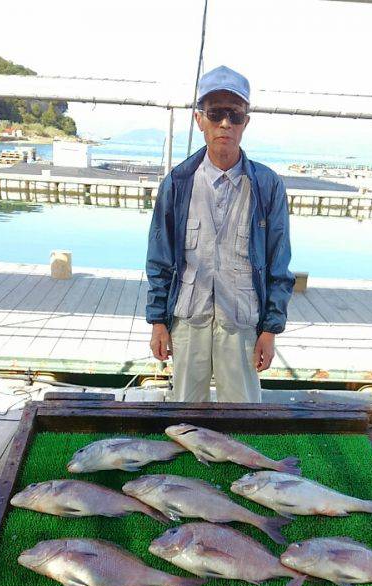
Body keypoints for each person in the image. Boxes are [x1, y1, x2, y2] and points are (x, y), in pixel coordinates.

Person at [146, 65, 294, 402]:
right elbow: (159, 258)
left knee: (243, 415)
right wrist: (158, 321)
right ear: (200, 120)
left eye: (235, 114)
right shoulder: (177, 183)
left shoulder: (268, 187)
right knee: (185, 414)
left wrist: (270, 329)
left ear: (246, 121)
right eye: (215, 113)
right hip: (188, 318)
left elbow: (278, 265)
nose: (225, 123)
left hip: (242, 321)